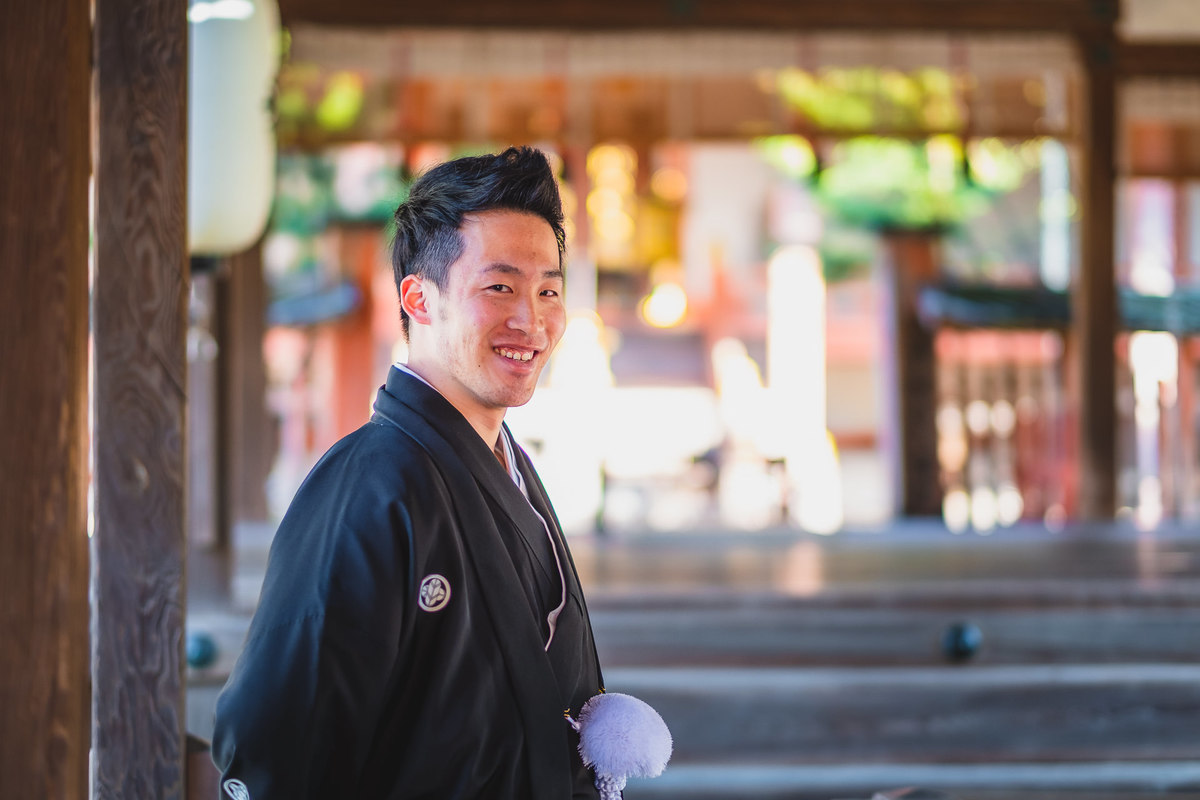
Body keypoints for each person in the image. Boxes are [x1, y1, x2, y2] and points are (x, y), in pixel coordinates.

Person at [212, 147, 606, 799]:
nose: (530, 320)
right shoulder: (371, 483)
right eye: (499, 287)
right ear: (419, 299)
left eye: (549, 291)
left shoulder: (509, 467)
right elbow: (274, 747)